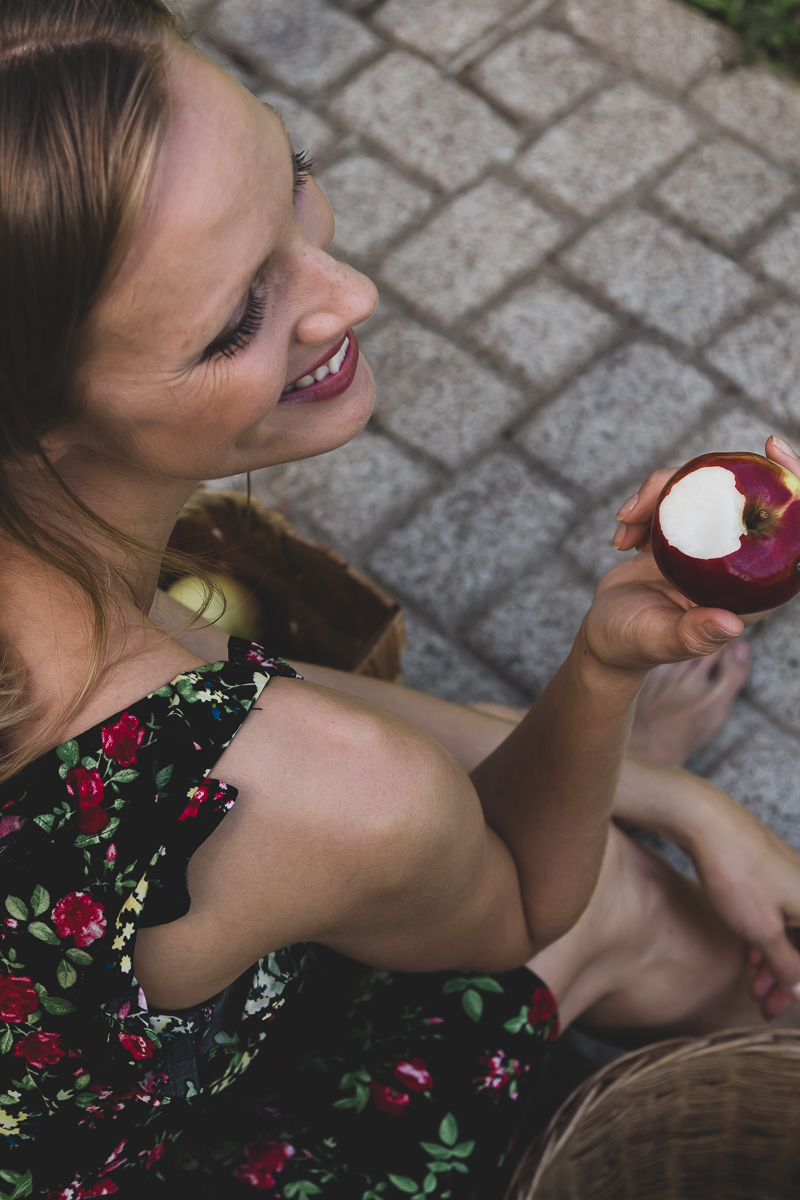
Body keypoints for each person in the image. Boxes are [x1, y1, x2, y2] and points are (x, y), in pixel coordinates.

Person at [2, 2, 800, 1197]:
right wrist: (599, 672)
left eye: (295, 179)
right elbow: (521, 898)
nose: (352, 293)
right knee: (605, 903)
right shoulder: (315, 789)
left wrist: (668, 790)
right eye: (235, 321)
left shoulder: (60, 607)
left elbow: (228, 694)